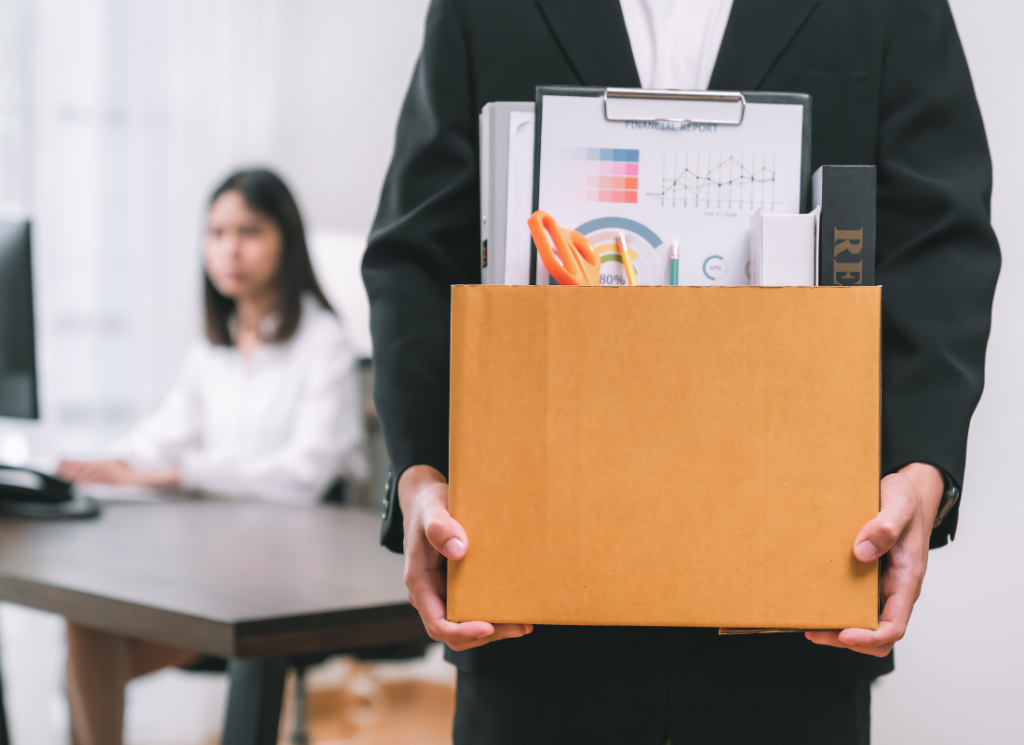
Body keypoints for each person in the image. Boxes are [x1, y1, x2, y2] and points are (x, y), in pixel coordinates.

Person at [362, 1, 1000, 743]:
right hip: (535, 624)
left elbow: (941, 242)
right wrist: (420, 475)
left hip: (792, 622)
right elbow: (415, 253)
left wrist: (922, 468)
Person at [59, 168, 365, 745]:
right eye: (217, 232)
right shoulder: (215, 344)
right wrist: (100, 466)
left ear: (285, 241)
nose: (230, 249)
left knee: (92, 649)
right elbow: (163, 434)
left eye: (249, 231)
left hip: (283, 578)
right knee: (86, 624)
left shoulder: (323, 343)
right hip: (210, 562)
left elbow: (303, 476)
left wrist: (180, 473)